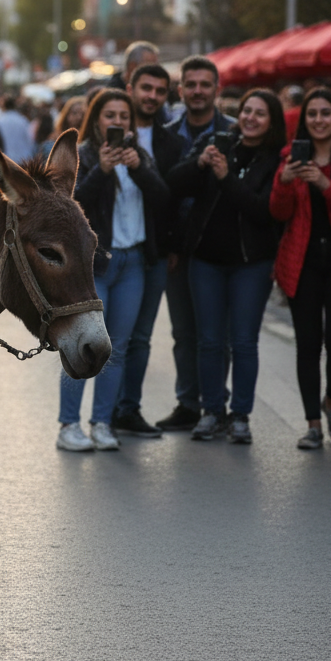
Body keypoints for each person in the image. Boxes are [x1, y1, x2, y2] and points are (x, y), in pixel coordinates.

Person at [168, 89, 285, 444]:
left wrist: (225, 177)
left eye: (259, 113)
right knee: (209, 341)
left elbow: (261, 210)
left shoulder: (276, 160)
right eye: (246, 110)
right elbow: (175, 183)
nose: (250, 118)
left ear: (271, 121)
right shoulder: (219, 143)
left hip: (251, 263)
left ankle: (240, 416)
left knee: (244, 342)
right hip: (206, 260)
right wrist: (200, 162)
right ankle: (212, 411)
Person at [57, 89, 169, 452]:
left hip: (133, 262)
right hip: (96, 265)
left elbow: (163, 199)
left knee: (116, 349)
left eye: (124, 116)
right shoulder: (85, 156)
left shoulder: (141, 155)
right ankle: (69, 425)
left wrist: (138, 168)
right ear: (96, 120)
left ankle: (102, 422)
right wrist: (103, 171)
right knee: (79, 345)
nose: (118, 122)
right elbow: (70, 208)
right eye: (110, 115)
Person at [270, 88, 331, 450]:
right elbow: (278, 213)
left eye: (326, 113)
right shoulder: (290, 157)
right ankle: (313, 423)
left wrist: (324, 184)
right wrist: (284, 182)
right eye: (312, 114)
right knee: (308, 345)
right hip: (302, 262)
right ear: (304, 119)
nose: (319, 120)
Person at [156, 56, 235, 433]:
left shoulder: (235, 132)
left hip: (220, 248)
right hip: (177, 248)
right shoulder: (167, 134)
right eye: (192, 84)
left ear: (216, 90)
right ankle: (189, 403)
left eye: (206, 84)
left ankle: (216, 404)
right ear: (181, 89)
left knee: (218, 334)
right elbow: (164, 195)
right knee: (184, 332)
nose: (198, 91)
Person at [112, 63, 185, 438]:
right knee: (108, 338)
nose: (153, 96)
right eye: (146, 88)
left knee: (140, 338)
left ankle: (128, 409)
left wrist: (172, 246)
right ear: (131, 87)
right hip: (109, 251)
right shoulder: (105, 131)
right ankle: (98, 413)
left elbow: (170, 201)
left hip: (151, 252)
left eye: (160, 90)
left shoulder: (172, 141)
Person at [0, 96, 34, 164]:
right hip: (24, 158)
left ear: (3, 107)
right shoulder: (22, 120)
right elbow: (30, 139)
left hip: (7, 158)